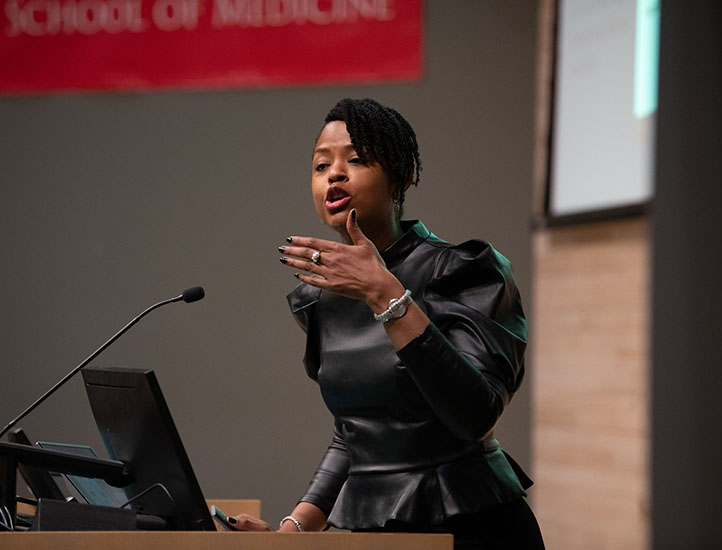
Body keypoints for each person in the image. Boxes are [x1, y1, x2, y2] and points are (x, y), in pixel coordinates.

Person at [230, 98, 544, 549]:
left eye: (355, 160)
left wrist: (386, 295)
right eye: (321, 166)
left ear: (403, 177)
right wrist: (292, 530)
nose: (334, 175)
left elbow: (476, 414)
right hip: (378, 536)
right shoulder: (321, 298)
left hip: (475, 526)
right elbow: (356, 435)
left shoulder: (466, 270)